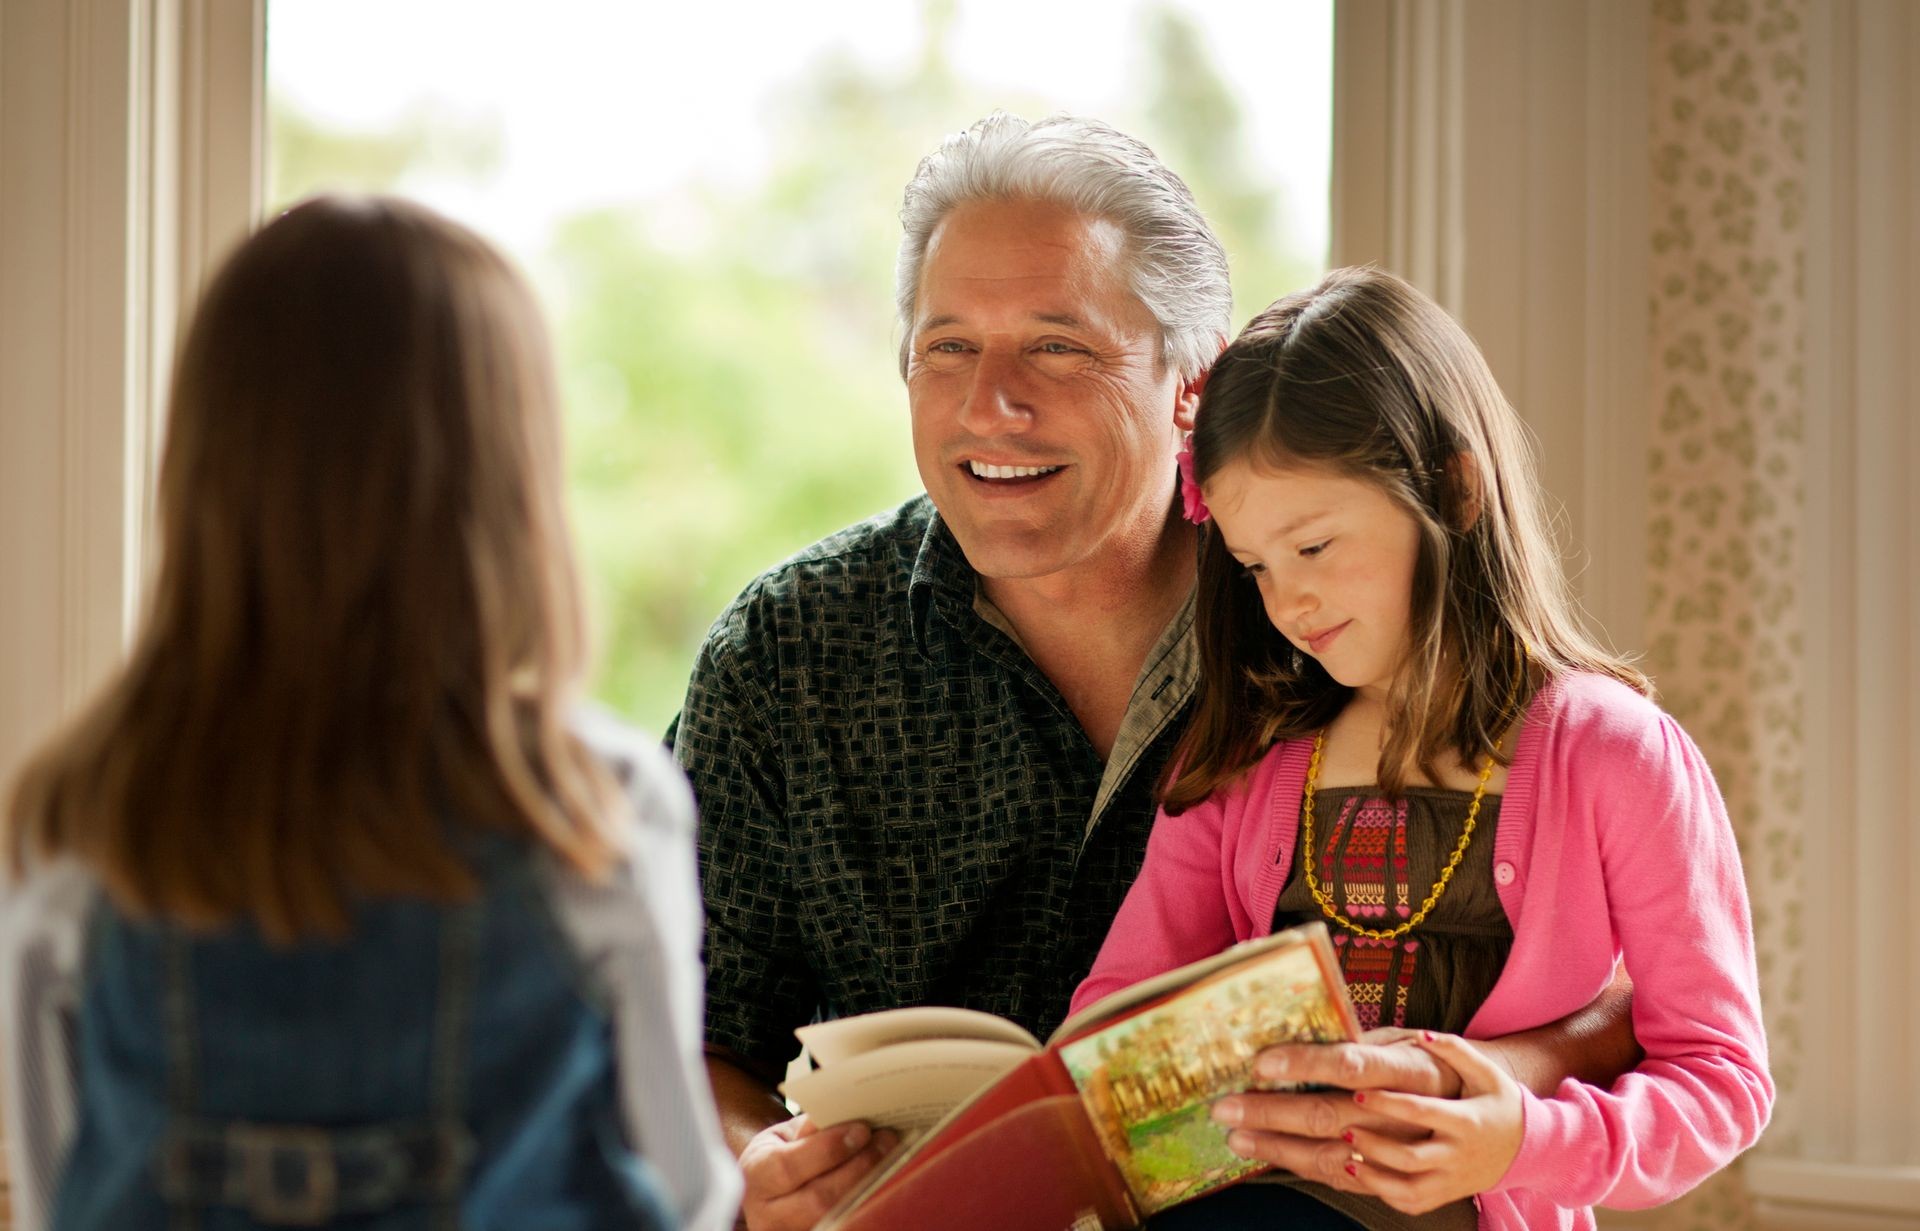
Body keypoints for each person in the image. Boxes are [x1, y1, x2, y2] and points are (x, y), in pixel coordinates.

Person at [676, 114, 1644, 1231]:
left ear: (1195, 382)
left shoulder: (1333, 614)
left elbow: (1616, 984)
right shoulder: (788, 653)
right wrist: (750, 1166)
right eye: (947, 347)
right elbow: (678, 1030)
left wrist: (1467, 1083)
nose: (991, 401)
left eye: (1058, 346)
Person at [0, 197, 740, 1231]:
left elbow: (54, 1197)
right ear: (507, 485)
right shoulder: (594, 803)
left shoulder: (80, 819)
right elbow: (691, 1191)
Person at [1071, 266, 1773, 1231]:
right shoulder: (1238, 760)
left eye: (1313, 547)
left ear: (1452, 487)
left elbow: (1721, 1076)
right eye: (1254, 566)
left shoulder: (1615, 753)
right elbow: (1111, 1021)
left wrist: (1522, 1136)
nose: (1287, 603)